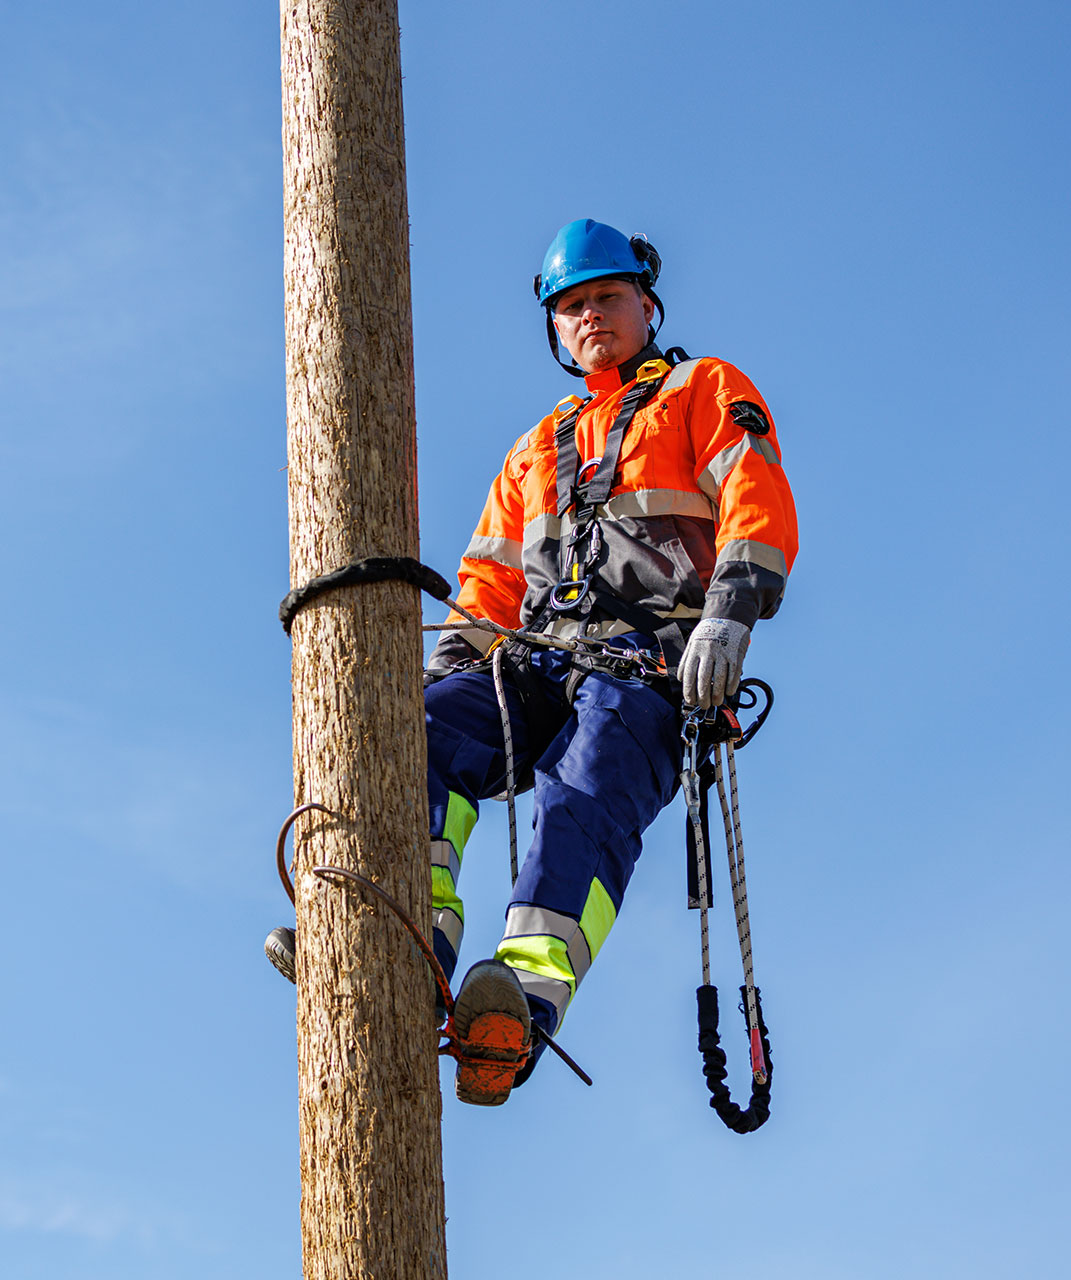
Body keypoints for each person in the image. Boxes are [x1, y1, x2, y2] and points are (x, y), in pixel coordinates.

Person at [267, 218, 798, 1106]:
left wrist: (729, 616)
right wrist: (444, 686)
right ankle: (405, 931)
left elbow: (755, 490)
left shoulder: (703, 391)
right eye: (573, 306)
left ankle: (518, 1001)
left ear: (646, 304)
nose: (592, 316)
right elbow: (488, 588)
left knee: (584, 790)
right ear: (555, 328)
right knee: (422, 733)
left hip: (649, 668)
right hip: (538, 662)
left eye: (608, 298)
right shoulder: (535, 450)